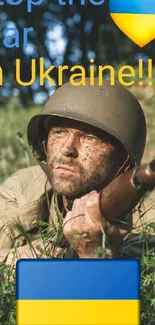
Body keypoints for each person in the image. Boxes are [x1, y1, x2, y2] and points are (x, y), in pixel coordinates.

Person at [0, 78, 155, 264]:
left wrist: (95, 256)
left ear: (124, 161)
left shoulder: (148, 221)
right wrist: (11, 260)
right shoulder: (22, 190)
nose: (67, 149)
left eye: (89, 138)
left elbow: (119, 291)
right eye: (59, 132)